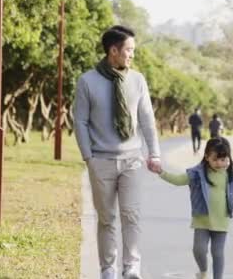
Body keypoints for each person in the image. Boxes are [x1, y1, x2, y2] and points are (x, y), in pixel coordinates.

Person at [73, 25, 161, 279]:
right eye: (129, 50)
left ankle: (131, 267)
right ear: (114, 50)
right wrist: (88, 156)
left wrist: (154, 153)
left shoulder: (138, 80)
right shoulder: (87, 81)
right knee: (107, 219)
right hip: (101, 160)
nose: (132, 55)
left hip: (132, 159)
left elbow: (147, 119)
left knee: (131, 216)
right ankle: (108, 269)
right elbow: (80, 121)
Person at [147, 137, 233, 279]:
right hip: (202, 219)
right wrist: (161, 172)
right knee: (199, 250)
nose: (220, 163)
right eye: (215, 159)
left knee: (218, 253)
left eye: (224, 160)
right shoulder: (197, 173)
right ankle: (203, 271)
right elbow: (179, 180)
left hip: (221, 220)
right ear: (206, 157)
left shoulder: (230, 174)